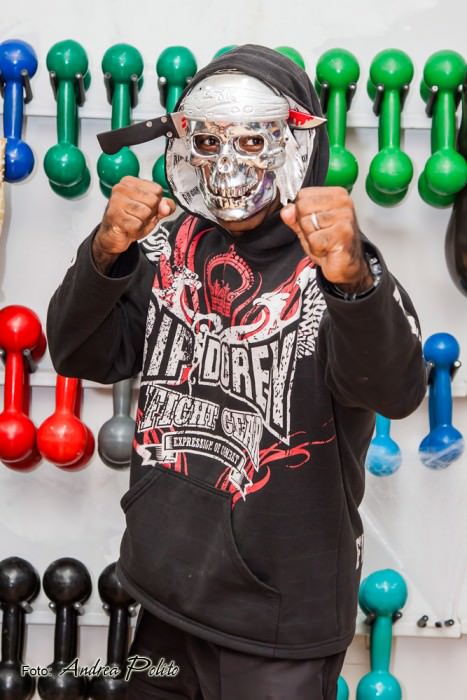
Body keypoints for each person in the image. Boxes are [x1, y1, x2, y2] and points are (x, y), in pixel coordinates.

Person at [47, 44, 426, 700]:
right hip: (164, 596)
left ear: (296, 143)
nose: (227, 165)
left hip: (279, 624)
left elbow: (394, 391)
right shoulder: (163, 245)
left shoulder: (334, 266)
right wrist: (105, 251)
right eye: (207, 140)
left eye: (252, 140)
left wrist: (354, 283)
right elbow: (77, 353)